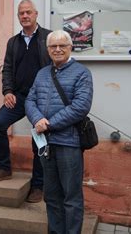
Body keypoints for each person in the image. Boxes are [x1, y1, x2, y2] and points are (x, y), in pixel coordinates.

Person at [25, 30, 93, 233]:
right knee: (52, 196)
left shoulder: (82, 73)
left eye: (62, 45)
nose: (57, 49)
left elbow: (80, 106)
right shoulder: (42, 73)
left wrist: (49, 124)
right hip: (46, 144)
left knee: (71, 198)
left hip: (69, 144)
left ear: (70, 47)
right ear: (47, 50)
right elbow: (30, 100)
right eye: (53, 46)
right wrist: (37, 119)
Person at [0, 0, 51, 204]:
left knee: (38, 140)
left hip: (41, 99)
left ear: (36, 14)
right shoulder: (13, 42)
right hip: (19, 96)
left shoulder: (47, 38)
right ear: (18, 17)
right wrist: (7, 91)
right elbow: (7, 68)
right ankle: (4, 167)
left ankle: (38, 185)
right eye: (21, 13)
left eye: (28, 12)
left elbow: (55, 68)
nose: (25, 16)